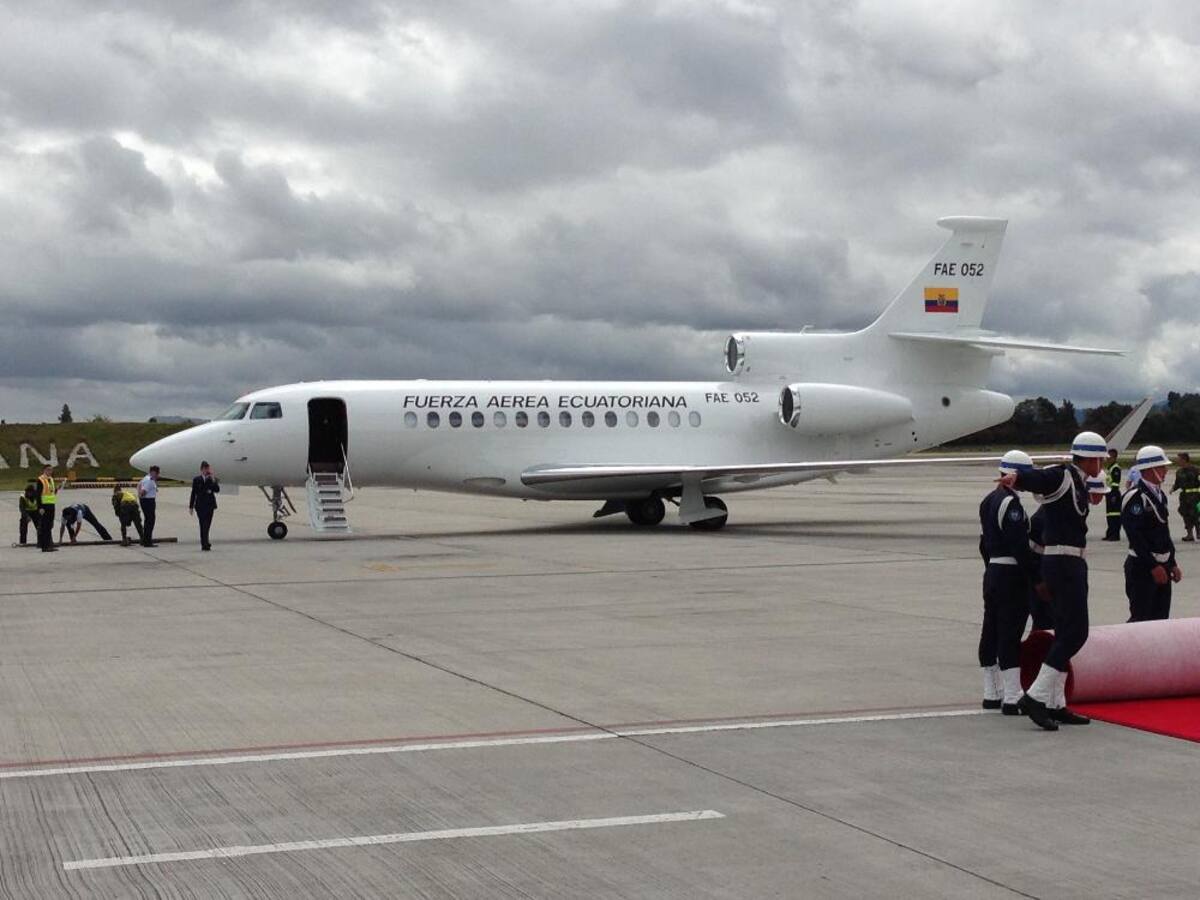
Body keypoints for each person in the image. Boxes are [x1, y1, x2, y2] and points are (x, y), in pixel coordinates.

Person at [999, 431, 1108, 731]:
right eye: (1100, 458)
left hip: (1068, 562)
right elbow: (1040, 478)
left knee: (1064, 632)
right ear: (1091, 457)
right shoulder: (1064, 476)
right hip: (1063, 562)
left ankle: (1056, 703)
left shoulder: (1079, 482)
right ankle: (1036, 695)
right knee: (1077, 633)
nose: (1101, 464)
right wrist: (1018, 480)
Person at [978, 450, 1037, 715]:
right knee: (1010, 632)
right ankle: (1012, 696)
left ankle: (992, 692)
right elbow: (1019, 546)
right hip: (1010, 574)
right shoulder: (1010, 504)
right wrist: (1035, 577)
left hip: (992, 571)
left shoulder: (988, 500)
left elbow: (983, 543)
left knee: (990, 629)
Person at [1123, 446, 1182, 622]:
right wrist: (1152, 566)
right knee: (1141, 618)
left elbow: (1164, 532)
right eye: (1162, 467)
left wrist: (1172, 563)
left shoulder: (1160, 496)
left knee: (1161, 618)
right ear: (1150, 469)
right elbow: (1135, 536)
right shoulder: (1135, 497)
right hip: (1142, 567)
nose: (1165, 471)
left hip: (1162, 565)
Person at [1027, 506, 1054, 631]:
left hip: (1043, 571)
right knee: (1043, 620)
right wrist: (1038, 581)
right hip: (1039, 574)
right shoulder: (1043, 519)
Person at [189, 461, 220, 551]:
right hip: (200, 505)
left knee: (208, 524)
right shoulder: (197, 479)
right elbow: (193, 493)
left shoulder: (211, 479)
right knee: (203, 524)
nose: (206, 470)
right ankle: (205, 543)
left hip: (210, 505)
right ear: (201, 469)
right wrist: (191, 506)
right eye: (205, 469)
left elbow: (217, 490)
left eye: (208, 469)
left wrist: (214, 480)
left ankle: (205, 541)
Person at [1169, 452, 1200, 542]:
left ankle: (1198, 532)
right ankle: (1189, 534)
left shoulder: (1195, 470)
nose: (1177, 461)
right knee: (1185, 513)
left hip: (1195, 496)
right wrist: (1173, 489)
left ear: (1184, 460)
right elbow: (1177, 483)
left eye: (1179, 459)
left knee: (1194, 514)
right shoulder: (1179, 472)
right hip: (1184, 497)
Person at [34, 464, 59, 552]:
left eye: (51, 470)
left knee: (49, 526)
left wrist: (56, 490)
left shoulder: (51, 479)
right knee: (44, 526)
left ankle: (49, 545)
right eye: (48, 470)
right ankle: (44, 546)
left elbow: (50, 492)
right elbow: (38, 494)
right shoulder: (40, 480)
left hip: (51, 505)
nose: (50, 472)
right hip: (44, 506)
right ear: (44, 470)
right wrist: (40, 507)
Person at [1102, 449, 1122, 541]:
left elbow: (1115, 483)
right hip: (1109, 494)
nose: (1107, 458)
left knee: (1115, 516)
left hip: (1114, 494)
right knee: (1109, 515)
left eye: (1109, 457)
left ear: (1114, 457)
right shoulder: (1110, 468)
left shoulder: (1115, 468)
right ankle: (1110, 534)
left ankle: (1115, 535)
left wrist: (1113, 494)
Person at [138, 465, 160, 547]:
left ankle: (145, 540)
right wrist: (141, 495)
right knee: (150, 521)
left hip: (146, 501)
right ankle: (148, 541)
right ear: (153, 472)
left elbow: (139, 485)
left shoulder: (146, 478)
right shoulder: (150, 481)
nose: (158, 475)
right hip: (148, 501)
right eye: (157, 473)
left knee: (147, 521)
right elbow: (143, 491)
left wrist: (140, 495)